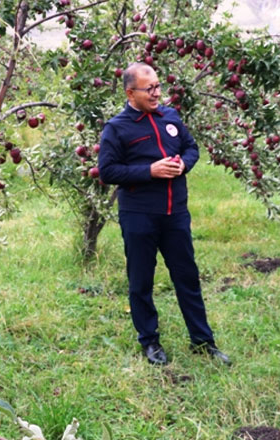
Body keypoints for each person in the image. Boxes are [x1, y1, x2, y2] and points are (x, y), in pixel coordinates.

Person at [98, 63, 230, 366]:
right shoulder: (116, 128)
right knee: (141, 281)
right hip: (139, 216)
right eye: (150, 89)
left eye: (158, 86)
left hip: (175, 214)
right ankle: (150, 341)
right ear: (131, 93)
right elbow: (107, 171)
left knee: (187, 277)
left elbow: (191, 147)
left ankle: (203, 341)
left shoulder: (170, 117)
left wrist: (184, 164)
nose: (157, 93)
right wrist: (149, 171)